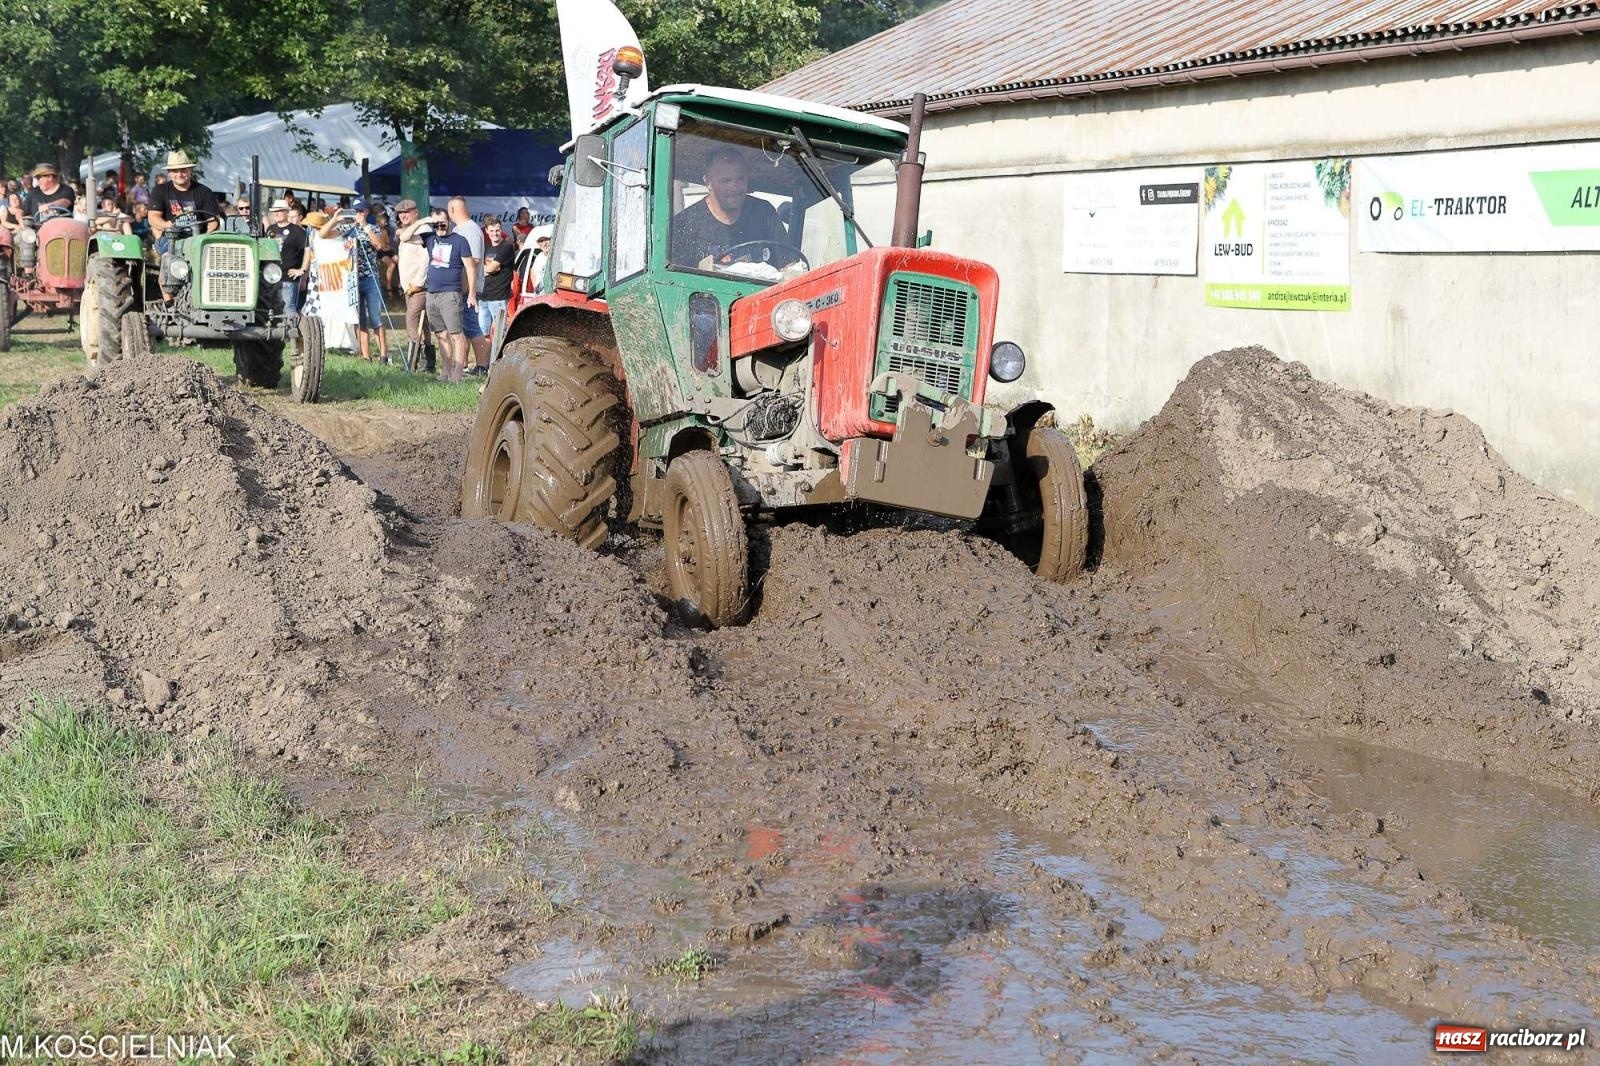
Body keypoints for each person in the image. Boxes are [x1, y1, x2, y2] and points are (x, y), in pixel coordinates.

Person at [670, 145, 793, 270]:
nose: (734, 187)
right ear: (707, 182)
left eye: (740, 179)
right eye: (726, 181)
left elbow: (789, 267)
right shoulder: (685, 225)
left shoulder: (764, 213)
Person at [318, 199, 390, 361]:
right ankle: (365, 356)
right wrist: (334, 219)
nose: (358, 214)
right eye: (355, 211)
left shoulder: (373, 228)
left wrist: (364, 224)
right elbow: (323, 235)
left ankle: (384, 355)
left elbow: (379, 245)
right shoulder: (348, 228)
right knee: (359, 320)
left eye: (361, 211)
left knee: (376, 318)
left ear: (366, 212)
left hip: (370, 278)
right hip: (353, 279)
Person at [419, 211, 476, 383]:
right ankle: (446, 372)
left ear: (449, 222)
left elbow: (470, 267)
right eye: (436, 224)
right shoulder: (429, 238)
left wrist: (472, 293)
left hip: (451, 293)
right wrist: (424, 221)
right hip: (432, 293)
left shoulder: (460, 240)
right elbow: (404, 236)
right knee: (441, 334)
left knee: (456, 334)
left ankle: (457, 373)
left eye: (442, 224)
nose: (439, 227)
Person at [445, 197, 488, 372]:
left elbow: (474, 261)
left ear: (452, 210)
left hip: (469, 287)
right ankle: (462, 365)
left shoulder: (470, 229)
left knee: (472, 327)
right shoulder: (459, 229)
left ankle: (482, 365)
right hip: (460, 286)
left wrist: (467, 289)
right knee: (462, 328)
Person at [148, 151, 223, 251]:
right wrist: (166, 225)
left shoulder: (205, 192)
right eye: (175, 171)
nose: (180, 174)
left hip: (198, 239)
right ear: (169, 172)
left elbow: (213, 220)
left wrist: (205, 238)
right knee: (168, 252)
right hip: (171, 238)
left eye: (183, 170)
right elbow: (153, 217)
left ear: (190, 170)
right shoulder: (160, 190)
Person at [393, 199, 435, 373]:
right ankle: (430, 364)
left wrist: (418, 283)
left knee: (411, 319)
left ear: (416, 213)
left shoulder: (423, 229)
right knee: (423, 324)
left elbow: (426, 259)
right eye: (400, 213)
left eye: (407, 212)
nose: (403, 215)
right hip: (408, 286)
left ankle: (411, 363)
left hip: (419, 286)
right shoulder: (409, 229)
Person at [477, 217, 516, 353]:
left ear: (501, 230)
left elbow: (489, 268)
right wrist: (487, 269)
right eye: (492, 231)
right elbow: (480, 269)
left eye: (497, 230)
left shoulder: (506, 247)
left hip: (498, 296)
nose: (495, 233)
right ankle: (486, 361)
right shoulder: (486, 247)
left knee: (500, 334)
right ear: (487, 231)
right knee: (483, 333)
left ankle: (500, 359)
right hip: (483, 296)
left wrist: (487, 269)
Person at [267, 199, 310, 315]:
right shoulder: (270, 229)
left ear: (287, 212)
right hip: (271, 278)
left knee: (289, 308)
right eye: (274, 211)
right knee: (271, 310)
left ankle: (293, 327)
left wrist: (303, 270)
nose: (276, 214)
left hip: (288, 278)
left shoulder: (297, 231)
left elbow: (308, 250)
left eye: (280, 211)